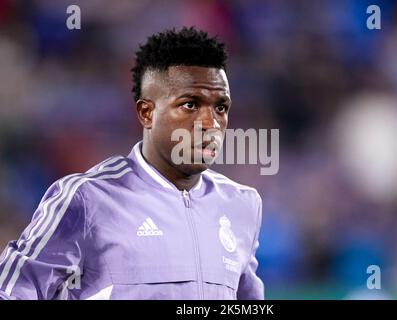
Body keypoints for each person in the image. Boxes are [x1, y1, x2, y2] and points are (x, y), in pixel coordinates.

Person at [0, 27, 264, 300]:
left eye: (220, 107)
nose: (211, 124)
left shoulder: (242, 204)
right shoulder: (87, 199)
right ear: (147, 112)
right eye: (190, 105)